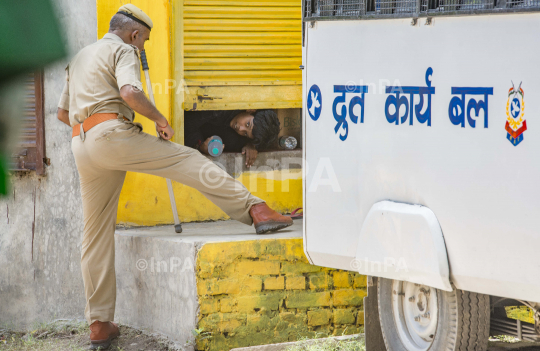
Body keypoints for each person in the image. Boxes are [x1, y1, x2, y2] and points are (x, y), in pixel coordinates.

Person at [56, 5, 293, 349]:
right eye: (145, 41)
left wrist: (94, 132)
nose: (142, 48)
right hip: (112, 135)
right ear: (135, 34)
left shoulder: (80, 57)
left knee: (94, 233)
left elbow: (63, 114)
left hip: (82, 142)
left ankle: (99, 323)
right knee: (188, 160)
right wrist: (160, 119)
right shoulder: (123, 49)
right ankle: (255, 209)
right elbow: (130, 93)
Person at [184, 109, 280, 167]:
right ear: (251, 110)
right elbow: (186, 123)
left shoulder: (234, 140)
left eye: (245, 134)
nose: (240, 129)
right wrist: (199, 146)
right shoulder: (219, 110)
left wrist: (251, 145)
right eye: (247, 124)